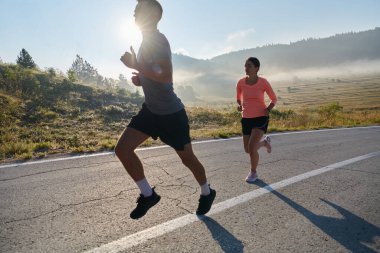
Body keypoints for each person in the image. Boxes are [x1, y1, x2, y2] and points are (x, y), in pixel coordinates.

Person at [116, 0, 216, 219]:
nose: (133, 15)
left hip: (171, 114)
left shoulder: (158, 40)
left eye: (137, 11)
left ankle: (207, 192)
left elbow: (165, 75)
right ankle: (148, 195)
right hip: (151, 111)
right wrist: (141, 79)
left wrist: (135, 65)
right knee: (122, 149)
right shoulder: (145, 41)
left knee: (187, 159)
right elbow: (154, 74)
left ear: (151, 16)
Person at [236, 57, 277, 183]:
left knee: (252, 147)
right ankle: (264, 143)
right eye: (245, 65)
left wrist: (268, 109)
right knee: (247, 149)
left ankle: (253, 173)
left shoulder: (263, 82)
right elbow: (239, 98)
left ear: (257, 68)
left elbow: (273, 98)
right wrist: (239, 104)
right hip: (246, 118)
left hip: (260, 117)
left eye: (249, 66)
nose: (246, 68)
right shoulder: (241, 83)